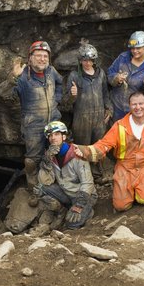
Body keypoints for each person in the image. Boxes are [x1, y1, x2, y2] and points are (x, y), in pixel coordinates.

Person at [10, 41, 64, 188]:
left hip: (53, 120)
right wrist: (14, 78)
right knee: (33, 159)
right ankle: (34, 186)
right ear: (30, 58)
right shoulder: (23, 77)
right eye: (38, 55)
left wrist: (57, 100)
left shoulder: (51, 72)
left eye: (45, 56)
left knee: (57, 150)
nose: (42, 59)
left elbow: (60, 83)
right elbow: (8, 96)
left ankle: (56, 180)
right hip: (33, 125)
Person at [33, 120, 97, 230]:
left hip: (84, 196)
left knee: (72, 224)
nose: (53, 138)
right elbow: (45, 181)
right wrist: (47, 162)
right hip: (66, 192)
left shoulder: (77, 153)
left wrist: (79, 205)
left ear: (64, 137)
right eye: (50, 135)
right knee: (41, 189)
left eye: (57, 134)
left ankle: (87, 211)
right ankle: (61, 210)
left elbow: (88, 183)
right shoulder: (51, 155)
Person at [66, 41, 113, 183]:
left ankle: (99, 173)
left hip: (99, 117)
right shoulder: (74, 76)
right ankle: (83, 177)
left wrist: (109, 109)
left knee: (98, 146)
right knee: (82, 147)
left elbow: (105, 93)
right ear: (80, 61)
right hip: (81, 118)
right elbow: (67, 103)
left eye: (90, 60)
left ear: (94, 60)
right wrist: (72, 95)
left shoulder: (101, 74)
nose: (87, 63)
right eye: (84, 60)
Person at [107, 31, 144, 122]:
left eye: (138, 48)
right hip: (117, 107)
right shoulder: (122, 58)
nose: (135, 51)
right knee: (118, 134)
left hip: (136, 110)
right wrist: (116, 78)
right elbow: (109, 73)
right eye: (132, 48)